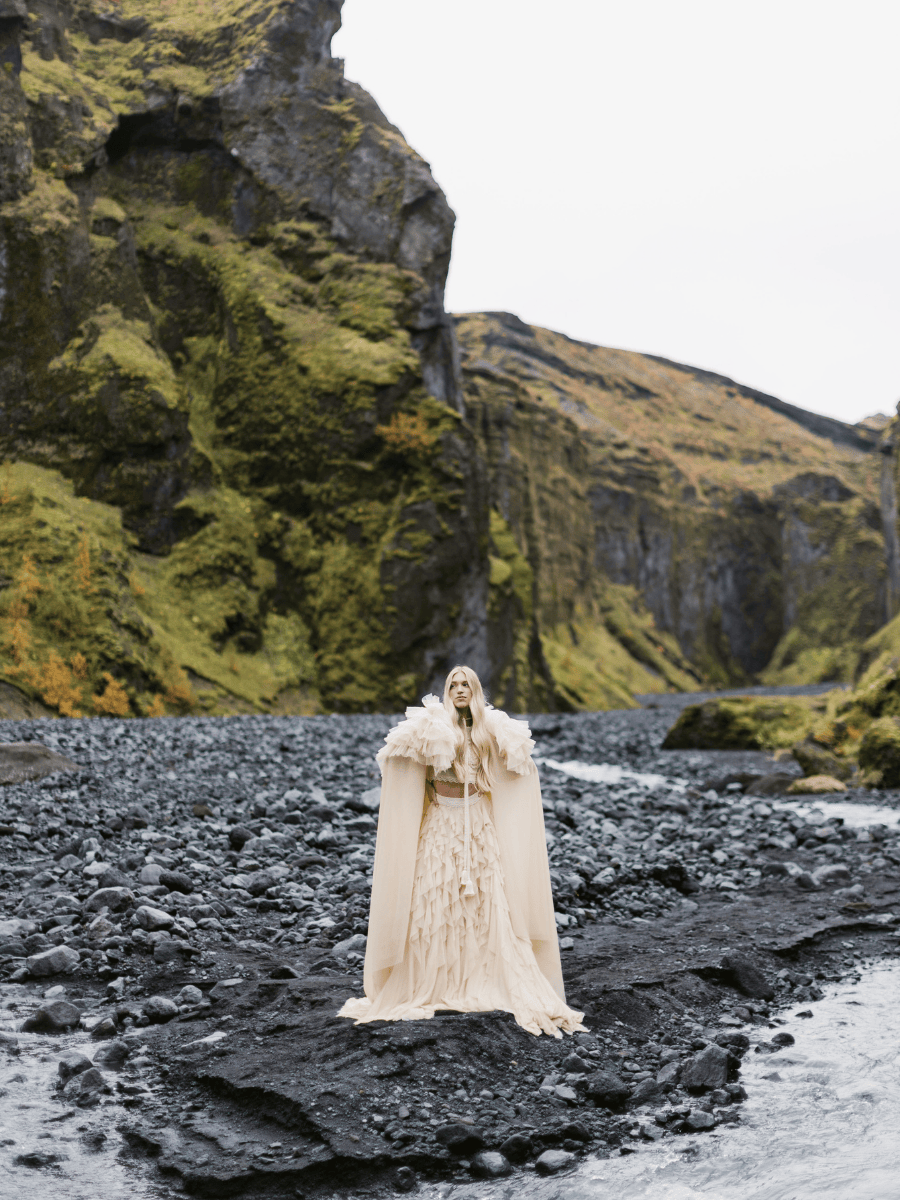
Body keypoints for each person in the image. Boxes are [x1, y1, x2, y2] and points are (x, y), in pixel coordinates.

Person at [338, 665, 585, 1037]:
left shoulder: (489, 729)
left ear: (476, 689)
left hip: (479, 820)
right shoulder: (432, 726)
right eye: (453, 684)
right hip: (440, 821)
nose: (458, 690)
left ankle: (487, 975)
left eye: (465, 684)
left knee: (488, 900)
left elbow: (518, 765)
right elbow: (395, 756)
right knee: (433, 896)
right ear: (446, 690)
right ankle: (434, 981)